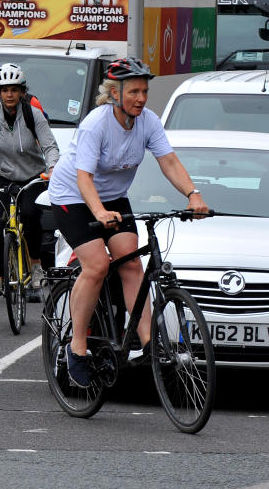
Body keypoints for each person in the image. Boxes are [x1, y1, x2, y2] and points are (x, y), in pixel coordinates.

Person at [47, 57, 209, 387]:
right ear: (114, 93)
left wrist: (193, 194)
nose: (141, 98)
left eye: (145, 91)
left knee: (132, 263)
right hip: (73, 196)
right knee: (96, 265)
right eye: (134, 91)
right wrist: (99, 213)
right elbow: (84, 177)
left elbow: (169, 161)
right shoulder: (97, 123)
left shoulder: (148, 122)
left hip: (114, 198)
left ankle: (149, 344)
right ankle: (76, 348)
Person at [0, 62, 60, 296]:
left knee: (30, 214)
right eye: (4, 89)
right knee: (2, 222)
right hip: (2, 175)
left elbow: (50, 147)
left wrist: (52, 168)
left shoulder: (33, 114)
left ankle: (37, 267)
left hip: (32, 175)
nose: (9, 94)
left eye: (14, 89)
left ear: (22, 91)